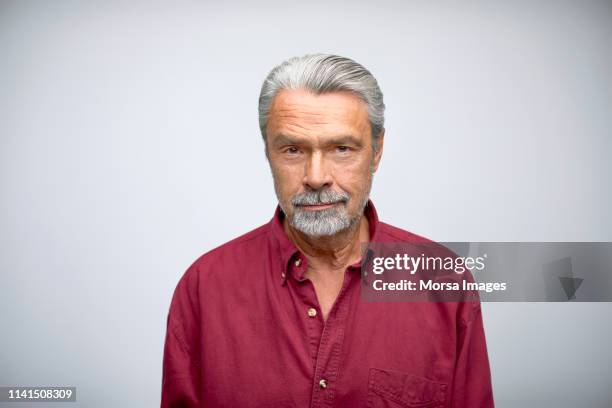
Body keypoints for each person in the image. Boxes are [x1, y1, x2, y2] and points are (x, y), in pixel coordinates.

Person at [161, 53, 494, 407]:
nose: (316, 176)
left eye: (341, 148)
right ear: (268, 153)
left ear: (377, 151)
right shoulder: (204, 288)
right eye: (292, 149)